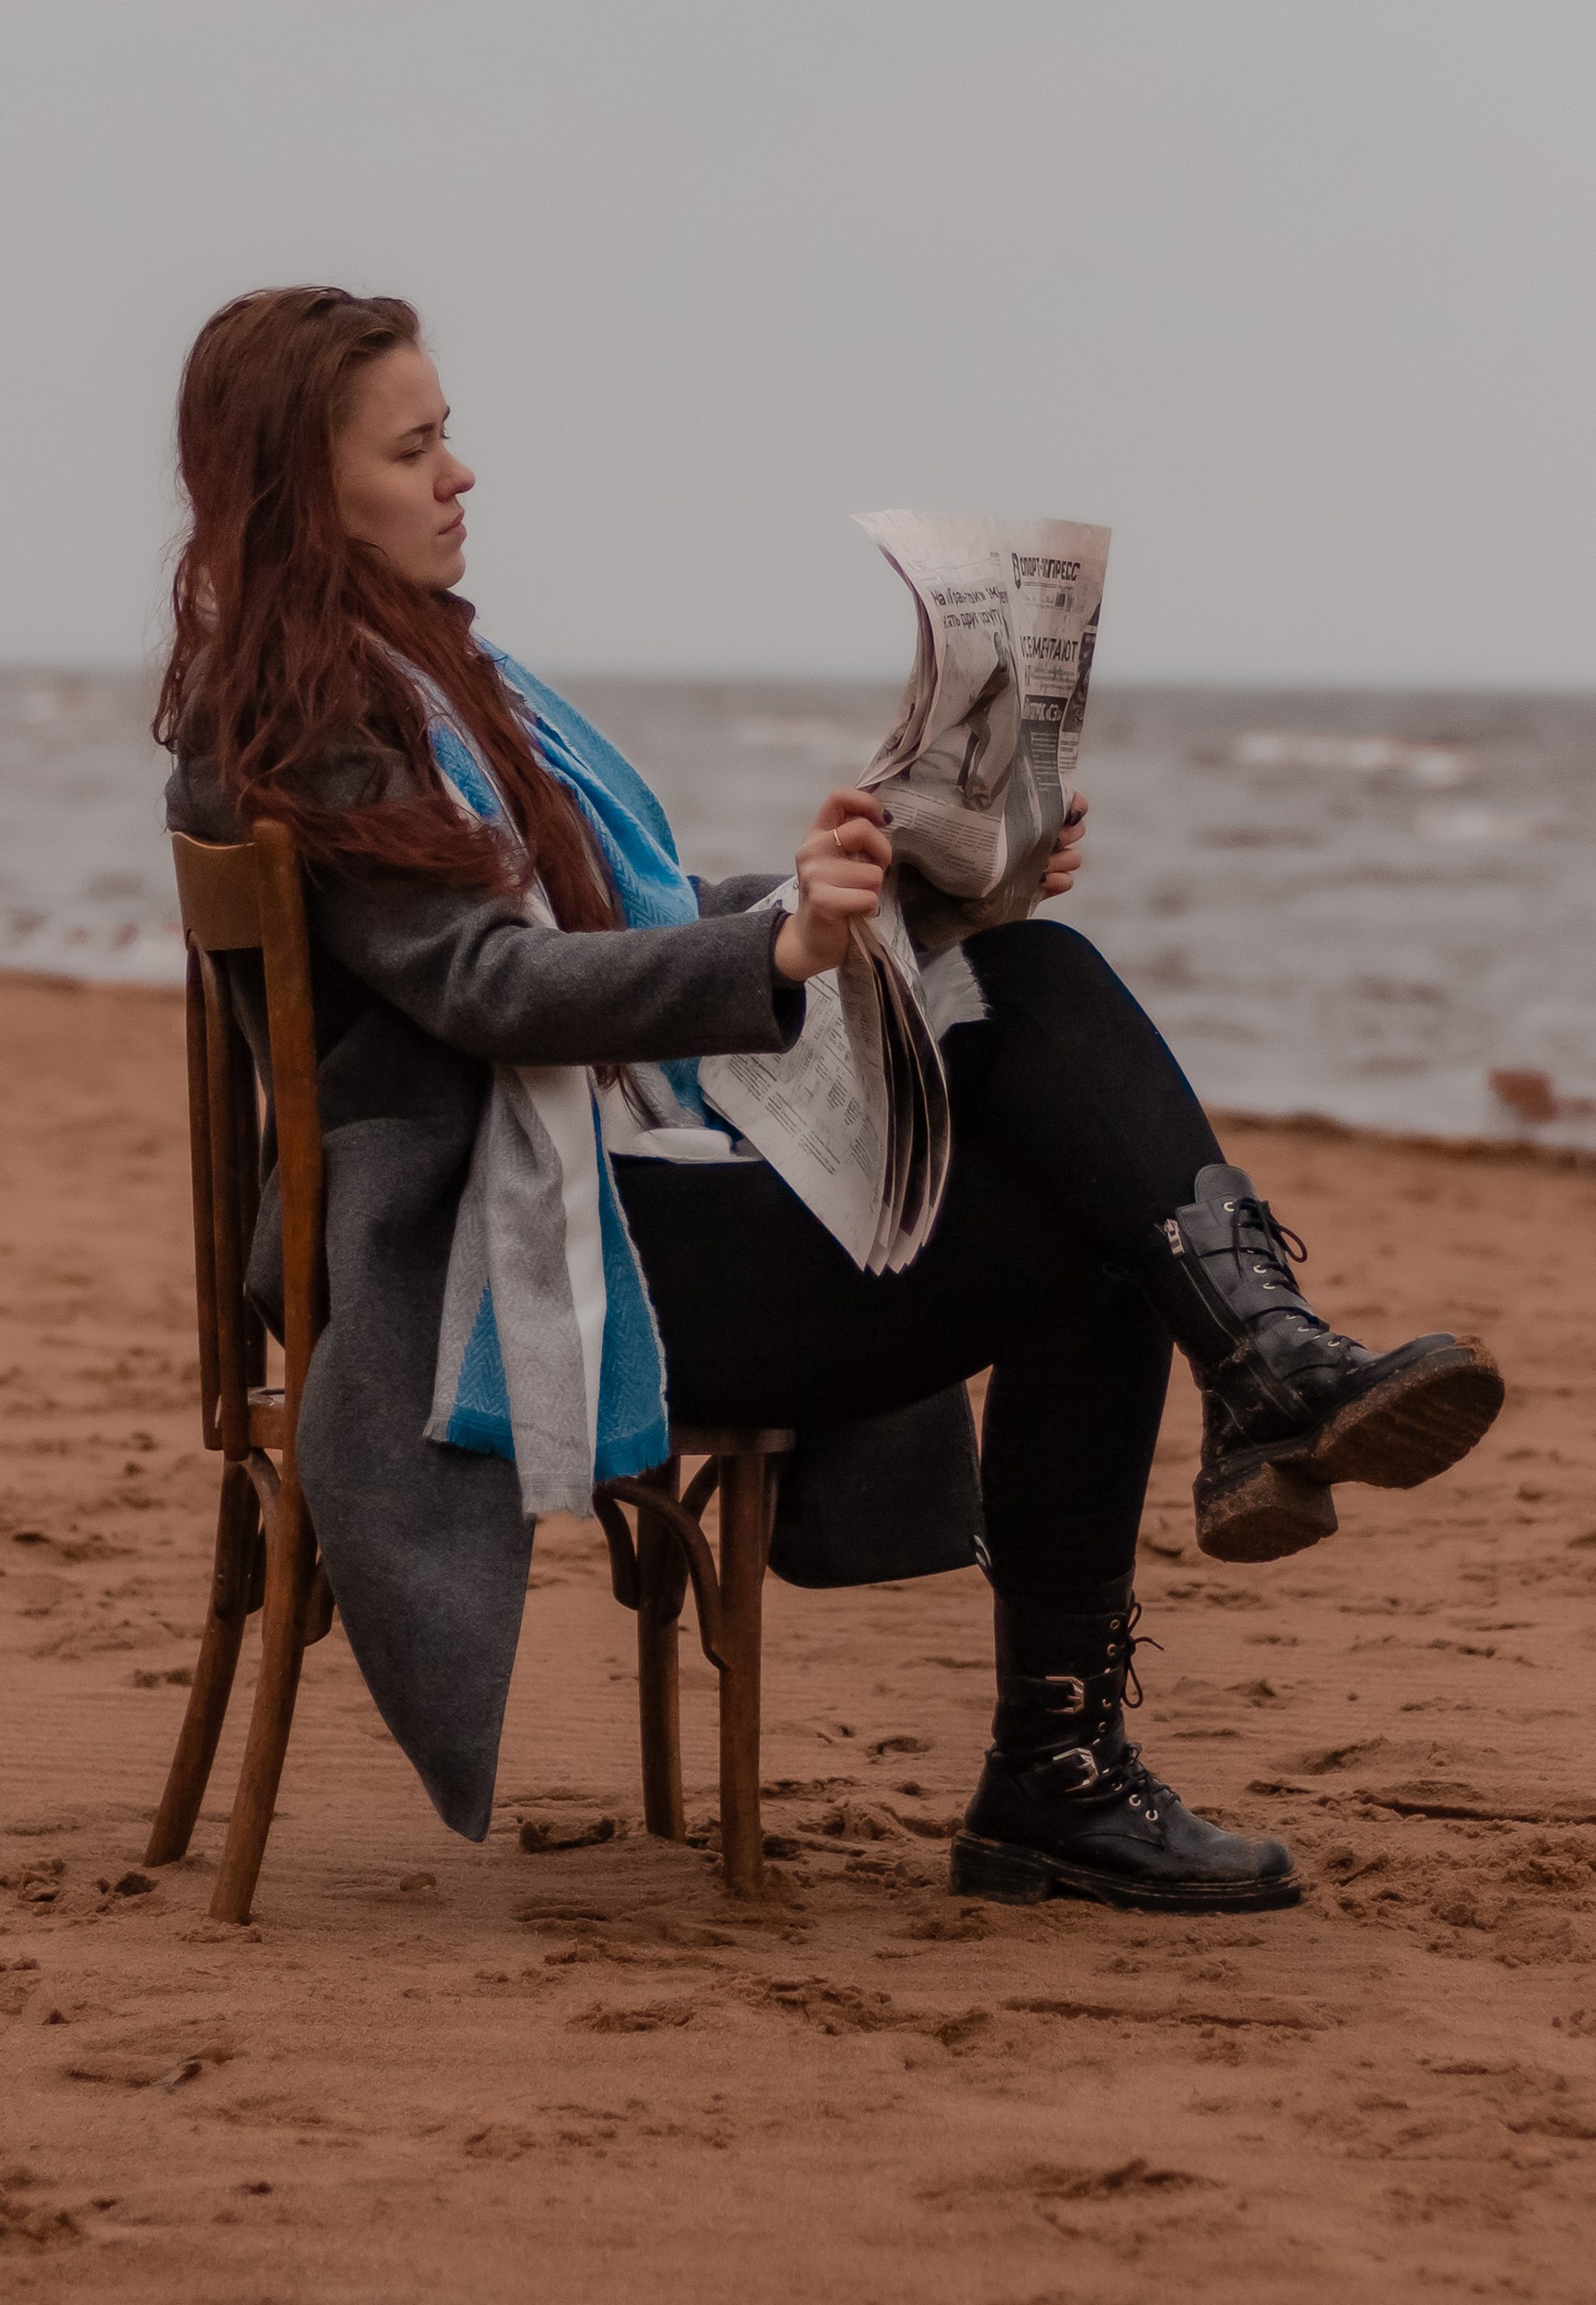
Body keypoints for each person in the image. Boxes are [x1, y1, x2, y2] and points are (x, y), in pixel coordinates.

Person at [158, 286, 1504, 1913]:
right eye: (418, 444)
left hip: (612, 1187)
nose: (461, 475)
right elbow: (489, 988)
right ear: (307, 488)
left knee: (1032, 973)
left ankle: (1260, 1372)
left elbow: (608, 930)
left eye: (449, 437)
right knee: (1092, 1220)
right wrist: (783, 948)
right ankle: (1077, 1729)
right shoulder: (300, 726)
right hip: (500, 1275)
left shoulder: (428, 681)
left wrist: (900, 892)